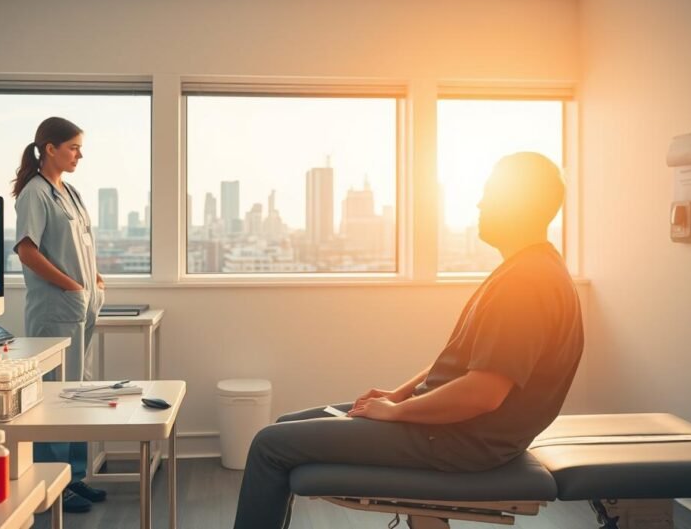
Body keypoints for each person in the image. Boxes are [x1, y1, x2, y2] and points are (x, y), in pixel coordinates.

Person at [233, 152, 584, 529]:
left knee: (269, 445)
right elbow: (461, 365)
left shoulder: (526, 283)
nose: (480, 203)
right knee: (287, 425)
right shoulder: (527, 268)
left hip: (457, 441)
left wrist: (397, 413)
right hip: (450, 430)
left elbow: (483, 393)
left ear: (520, 205)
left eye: (490, 194)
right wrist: (398, 394)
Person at [12, 116, 107, 513]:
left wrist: (93, 279)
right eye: (73, 148)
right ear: (50, 148)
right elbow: (27, 250)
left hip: (81, 304)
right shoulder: (35, 193)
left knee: (78, 391)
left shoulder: (70, 192)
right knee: (53, 395)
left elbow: (80, 241)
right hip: (55, 309)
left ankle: (75, 476)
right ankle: (54, 482)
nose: (79, 155)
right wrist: (71, 284)